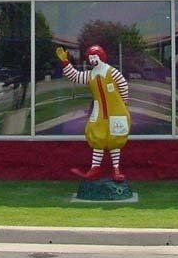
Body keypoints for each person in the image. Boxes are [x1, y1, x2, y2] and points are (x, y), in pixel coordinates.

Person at [56, 45, 131, 182]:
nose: (92, 61)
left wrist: (124, 104)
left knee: (115, 139)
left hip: (116, 112)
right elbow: (75, 76)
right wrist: (65, 62)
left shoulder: (112, 72)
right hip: (99, 112)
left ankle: (116, 169)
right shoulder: (90, 74)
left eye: (94, 57)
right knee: (97, 138)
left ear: (101, 57)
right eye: (90, 58)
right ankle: (95, 169)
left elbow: (123, 85)